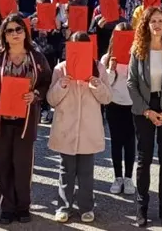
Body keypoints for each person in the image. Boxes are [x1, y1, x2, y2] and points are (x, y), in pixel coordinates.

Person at [0, 13, 52, 225]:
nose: (15, 34)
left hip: (25, 121)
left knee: (23, 165)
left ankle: (23, 207)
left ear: (25, 32)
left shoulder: (36, 57)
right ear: (4, 35)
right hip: (0, 120)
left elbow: (47, 81)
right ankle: (6, 208)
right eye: (10, 30)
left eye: (19, 29)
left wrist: (36, 95)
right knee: (3, 165)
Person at [127, 6, 162, 228]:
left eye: (161, 21)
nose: (157, 25)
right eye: (153, 21)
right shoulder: (138, 49)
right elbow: (131, 83)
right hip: (144, 108)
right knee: (144, 159)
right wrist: (148, 111)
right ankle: (142, 207)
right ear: (146, 25)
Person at [47, 31, 113, 223]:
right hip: (66, 127)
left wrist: (97, 85)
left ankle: (86, 206)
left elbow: (107, 98)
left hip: (88, 129)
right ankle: (63, 206)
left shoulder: (99, 68)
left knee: (86, 172)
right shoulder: (60, 68)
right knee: (65, 170)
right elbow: (51, 99)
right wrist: (61, 85)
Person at [101, 22, 137, 196]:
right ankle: (117, 177)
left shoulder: (138, 56)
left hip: (132, 104)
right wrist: (111, 70)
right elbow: (105, 84)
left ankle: (129, 177)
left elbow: (139, 82)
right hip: (114, 103)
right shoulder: (107, 58)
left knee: (130, 141)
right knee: (116, 141)